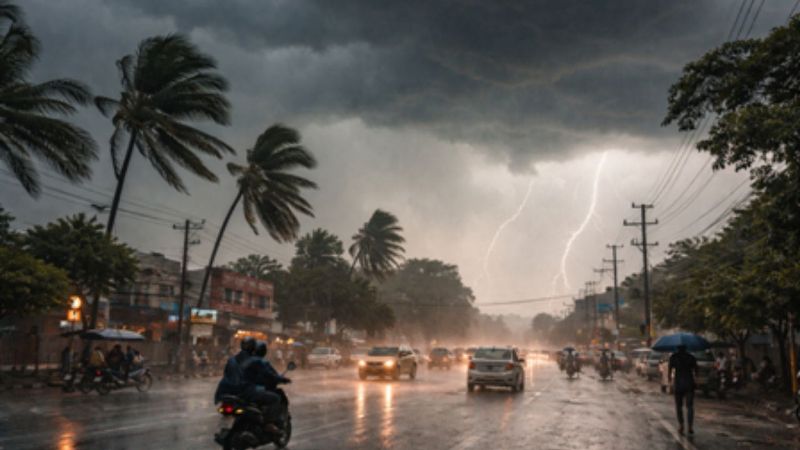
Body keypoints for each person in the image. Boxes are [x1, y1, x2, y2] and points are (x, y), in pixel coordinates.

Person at [241, 341, 291, 435]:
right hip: (251, 390)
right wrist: (282, 379)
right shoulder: (260, 362)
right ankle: (269, 424)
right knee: (275, 398)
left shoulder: (245, 360)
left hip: (239, 391)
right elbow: (270, 374)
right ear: (264, 351)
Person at [214, 337, 256, 403]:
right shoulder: (255, 360)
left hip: (226, 391)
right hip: (242, 392)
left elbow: (226, 373)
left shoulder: (232, 359)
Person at [668, 345, 697, 435]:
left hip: (678, 384)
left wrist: (670, 381)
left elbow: (669, 371)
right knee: (690, 406)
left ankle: (681, 425)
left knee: (679, 406)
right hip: (689, 383)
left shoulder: (673, 357)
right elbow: (696, 370)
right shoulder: (691, 357)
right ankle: (690, 426)